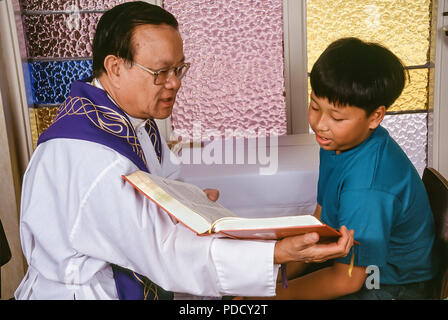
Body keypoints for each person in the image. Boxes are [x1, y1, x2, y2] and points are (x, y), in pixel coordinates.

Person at [14, 2, 354, 300]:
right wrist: (275, 253)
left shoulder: (126, 117)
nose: (175, 83)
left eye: (179, 69)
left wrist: (187, 200)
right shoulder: (94, 158)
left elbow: (161, 185)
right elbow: (164, 253)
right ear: (115, 67)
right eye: (161, 72)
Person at [250, 37, 438, 300]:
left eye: (336, 117)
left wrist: (268, 297)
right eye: (315, 106)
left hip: (392, 286)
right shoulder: (338, 141)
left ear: (375, 116)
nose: (320, 124)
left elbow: (347, 281)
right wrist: (277, 277)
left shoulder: (368, 187)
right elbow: (320, 220)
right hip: (355, 269)